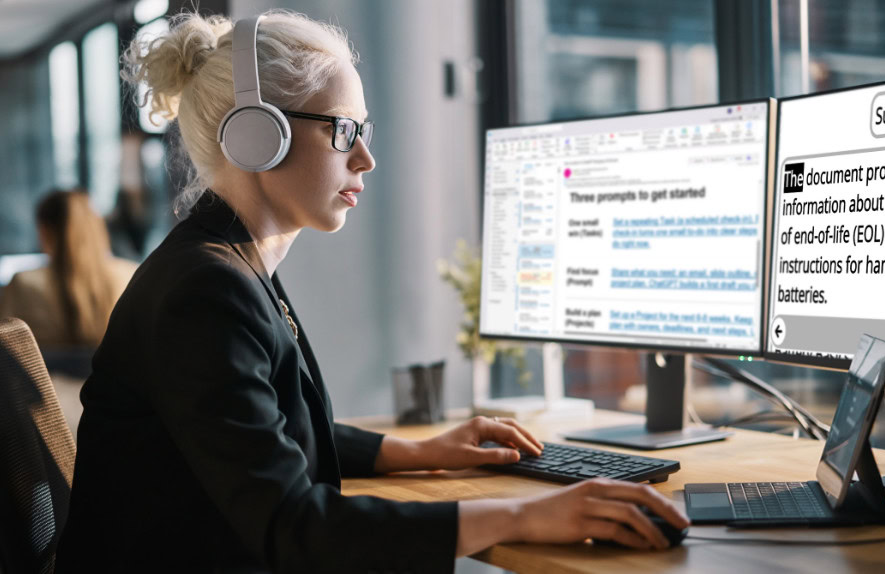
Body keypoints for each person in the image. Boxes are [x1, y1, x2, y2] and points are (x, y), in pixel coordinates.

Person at [55, 10, 687, 573]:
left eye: (365, 131)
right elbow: (293, 529)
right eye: (341, 131)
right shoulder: (203, 294)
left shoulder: (224, 268)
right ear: (256, 134)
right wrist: (524, 516)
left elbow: (268, 436)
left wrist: (416, 452)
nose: (364, 159)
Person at [0, 189, 137, 349]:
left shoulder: (22, 284)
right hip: (115, 374)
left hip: (47, 374)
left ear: (44, 231)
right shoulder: (131, 275)